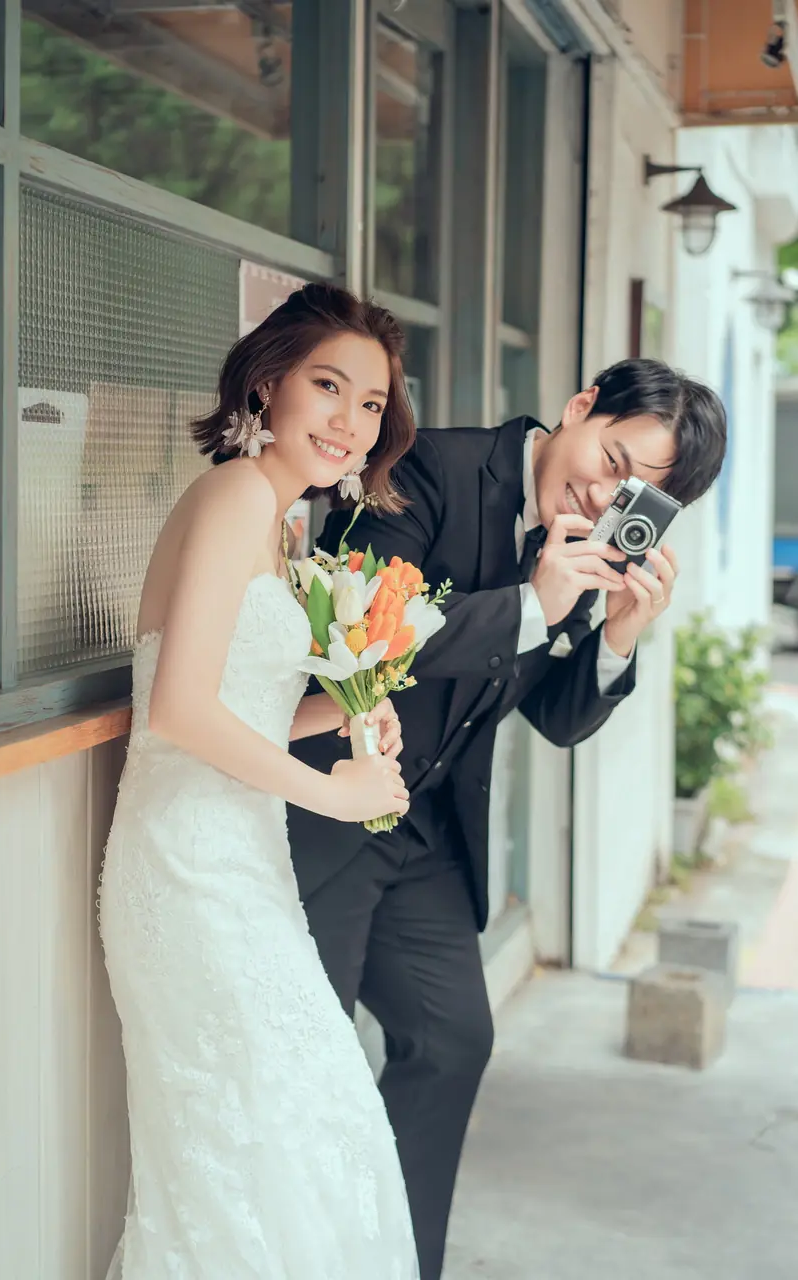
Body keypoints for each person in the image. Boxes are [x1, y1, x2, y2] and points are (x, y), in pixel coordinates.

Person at [287, 357, 728, 1280]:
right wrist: (535, 603)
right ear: (579, 406)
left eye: (634, 496)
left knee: (451, 1041)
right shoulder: (419, 467)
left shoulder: (591, 546)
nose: (604, 496)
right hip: (325, 804)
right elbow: (352, 640)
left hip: (428, 832)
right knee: (309, 1056)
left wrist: (616, 633)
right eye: (609, 460)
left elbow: (557, 718)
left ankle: (396, 1263)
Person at [98, 283, 423, 1279]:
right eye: (328, 386)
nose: (349, 420)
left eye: (370, 403)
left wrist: (350, 705)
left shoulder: (283, 528)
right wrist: (335, 793)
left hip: (242, 867)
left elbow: (233, 706)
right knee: (261, 1143)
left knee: (303, 1134)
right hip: (188, 870)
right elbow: (176, 710)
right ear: (268, 380)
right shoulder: (236, 494)